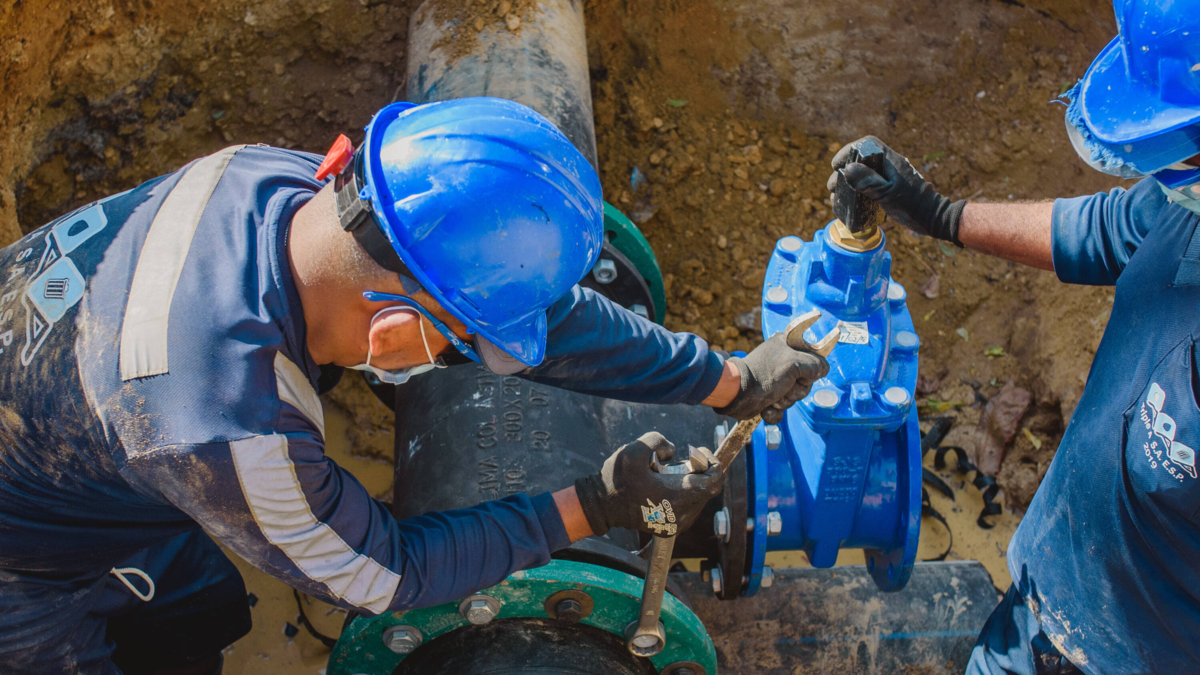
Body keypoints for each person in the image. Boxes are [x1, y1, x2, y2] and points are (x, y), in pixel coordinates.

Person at [0, 96, 827, 675]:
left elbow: (535, 317)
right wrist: (593, 504)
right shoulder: (232, 426)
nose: (467, 355)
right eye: (462, 343)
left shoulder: (288, 193)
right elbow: (383, 574)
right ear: (393, 328)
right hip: (18, 572)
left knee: (197, 614)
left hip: (70, 432)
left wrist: (728, 380)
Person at [830, 2, 1200, 673]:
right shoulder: (1187, 198)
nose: (1174, 168)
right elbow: (1106, 229)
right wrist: (939, 214)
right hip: (1040, 602)